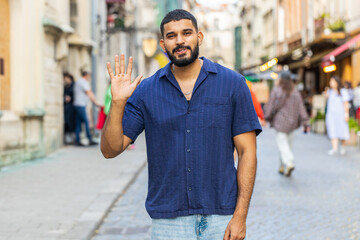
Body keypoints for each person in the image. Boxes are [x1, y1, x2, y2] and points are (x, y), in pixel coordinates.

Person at [101, 9, 262, 240]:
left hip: (221, 218)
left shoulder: (233, 85)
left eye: (186, 33)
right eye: (171, 36)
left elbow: (247, 153)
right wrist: (117, 103)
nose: (180, 41)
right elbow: (110, 149)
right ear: (163, 44)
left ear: (199, 37)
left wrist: (240, 217)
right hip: (168, 223)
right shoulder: (147, 92)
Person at [264, 72, 309, 177]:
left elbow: (271, 105)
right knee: (286, 146)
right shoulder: (295, 92)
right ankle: (281, 166)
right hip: (292, 123)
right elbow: (301, 108)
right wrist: (305, 121)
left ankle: (289, 163)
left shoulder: (277, 91)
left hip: (280, 123)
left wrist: (267, 116)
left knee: (283, 146)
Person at [73, 71, 102, 146]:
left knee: (78, 123)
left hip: (77, 105)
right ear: (86, 76)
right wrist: (96, 103)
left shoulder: (78, 81)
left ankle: (77, 140)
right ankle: (89, 139)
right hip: (81, 105)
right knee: (86, 122)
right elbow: (89, 93)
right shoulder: (83, 82)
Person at [325, 76, 350, 155]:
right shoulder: (330, 91)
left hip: (340, 115)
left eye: (332, 81)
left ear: (337, 82)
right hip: (331, 115)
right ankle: (334, 148)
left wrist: (346, 114)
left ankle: (343, 146)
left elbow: (346, 104)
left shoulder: (343, 91)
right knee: (332, 130)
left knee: (342, 130)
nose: (330, 83)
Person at [63, 73, 76, 144]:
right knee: (67, 121)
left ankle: (73, 138)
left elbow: (76, 95)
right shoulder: (66, 86)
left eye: (66, 79)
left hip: (73, 106)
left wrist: (71, 98)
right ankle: (69, 138)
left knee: (72, 122)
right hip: (67, 106)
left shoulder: (74, 85)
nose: (65, 80)